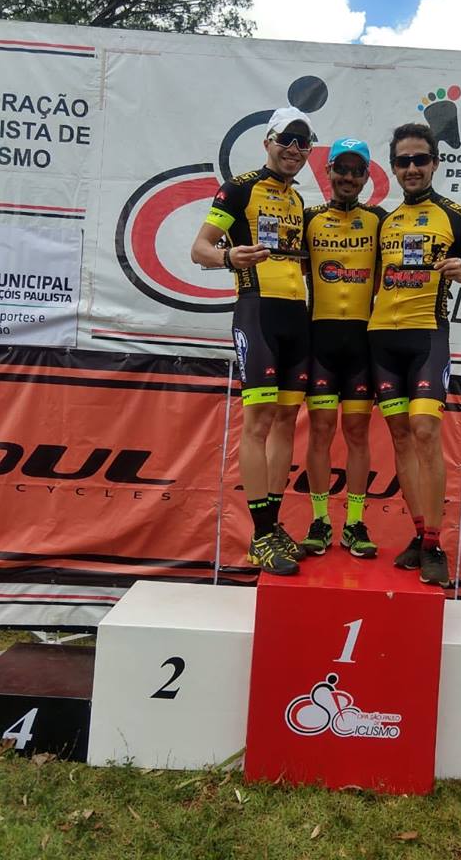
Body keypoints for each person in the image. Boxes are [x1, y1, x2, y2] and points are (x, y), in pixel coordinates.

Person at [367, 123, 461, 586]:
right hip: (381, 340)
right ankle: (419, 535)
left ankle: (435, 543)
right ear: (394, 167)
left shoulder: (456, 217)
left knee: (424, 430)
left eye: (420, 159)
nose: (412, 168)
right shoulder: (384, 221)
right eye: (403, 161)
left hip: (427, 337)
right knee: (401, 438)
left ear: (435, 163)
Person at [190, 106, 315, 576]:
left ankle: (273, 526)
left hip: (297, 318)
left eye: (303, 143)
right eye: (287, 140)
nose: (294, 150)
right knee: (258, 422)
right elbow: (199, 249)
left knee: (287, 421)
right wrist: (228, 259)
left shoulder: (299, 201)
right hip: (257, 312)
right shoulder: (239, 188)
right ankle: (260, 535)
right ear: (268, 142)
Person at [300, 138, 386, 559]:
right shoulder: (309, 219)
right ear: (328, 171)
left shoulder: (379, 221)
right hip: (320, 341)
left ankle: (354, 523)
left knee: (356, 433)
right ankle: (319, 521)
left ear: (367, 177)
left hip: (361, 346)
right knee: (319, 431)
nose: (348, 177)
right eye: (341, 169)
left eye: (357, 171)